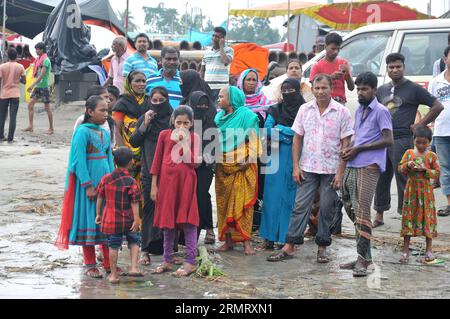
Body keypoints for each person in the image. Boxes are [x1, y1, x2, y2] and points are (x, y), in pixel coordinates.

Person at [267, 74, 353, 263]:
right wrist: (296, 167)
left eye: (324, 88)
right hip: (308, 166)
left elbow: (346, 144)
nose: (320, 92)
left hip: (331, 169)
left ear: (331, 88)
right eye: (317, 88)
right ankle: (290, 246)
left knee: (327, 207)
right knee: (299, 206)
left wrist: (340, 172)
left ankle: (322, 246)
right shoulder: (305, 110)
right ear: (312, 90)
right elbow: (297, 138)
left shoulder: (342, 112)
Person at [373, 53, 443, 227]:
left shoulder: (413, 88)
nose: (395, 70)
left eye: (398, 66)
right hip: (383, 140)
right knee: (381, 177)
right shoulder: (381, 90)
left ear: (404, 67)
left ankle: (406, 216)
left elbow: (437, 106)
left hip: (402, 140)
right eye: (391, 67)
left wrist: (420, 124)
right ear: (387, 69)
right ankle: (379, 215)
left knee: (404, 178)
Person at [338, 72, 394, 277]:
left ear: (373, 90)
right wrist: (350, 148)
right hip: (353, 163)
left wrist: (359, 149)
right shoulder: (360, 110)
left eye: (365, 89)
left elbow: (389, 140)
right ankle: (364, 255)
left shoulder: (380, 111)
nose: (360, 92)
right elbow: (358, 137)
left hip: (369, 166)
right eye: (358, 89)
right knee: (348, 205)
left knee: (362, 212)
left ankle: (363, 259)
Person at [55, 96, 115, 279]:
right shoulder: (82, 132)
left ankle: (108, 263)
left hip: (105, 184)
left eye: (107, 110)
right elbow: (77, 161)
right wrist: (88, 185)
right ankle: (90, 263)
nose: (106, 114)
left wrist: (113, 181)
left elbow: (110, 159)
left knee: (107, 222)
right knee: (89, 220)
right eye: (102, 110)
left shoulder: (105, 133)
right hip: (88, 186)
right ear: (90, 111)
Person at [150, 106, 201, 276]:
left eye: (186, 123)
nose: (182, 126)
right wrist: (154, 185)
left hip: (186, 183)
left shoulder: (194, 138)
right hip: (166, 184)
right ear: (173, 121)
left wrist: (183, 142)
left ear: (191, 123)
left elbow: (193, 163)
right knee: (167, 220)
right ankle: (167, 259)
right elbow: (157, 161)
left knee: (188, 220)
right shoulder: (164, 135)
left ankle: (191, 260)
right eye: (178, 122)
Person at [258, 78, 305, 250]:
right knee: (271, 197)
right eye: (283, 90)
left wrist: (282, 131)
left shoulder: (305, 109)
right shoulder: (275, 108)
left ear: (297, 90)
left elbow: (303, 131)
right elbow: (268, 130)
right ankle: (268, 238)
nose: (286, 93)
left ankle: (287, 238)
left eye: (290, 90)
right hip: (276, 155)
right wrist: (290, 134)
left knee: (291, 198)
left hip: (297, 155)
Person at [129, 87, 173, 265]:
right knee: (148, 208)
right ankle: (145, 250)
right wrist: (145, 124)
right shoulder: (145, 118)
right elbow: (134, 141)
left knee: (168, 208)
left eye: (160, 100)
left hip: (169, 171)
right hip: (148, 171)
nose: (156, 104)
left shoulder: (172, 119)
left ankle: (168, 250)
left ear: (167, 100)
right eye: (153, 100)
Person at [215, 86, 260, 256]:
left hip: (243, 165)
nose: (218, 99)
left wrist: (250, 159)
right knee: (224, 203)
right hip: (223, 165)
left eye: (221, 96)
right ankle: (228, 241)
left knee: (243, 205)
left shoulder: (247, 115)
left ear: (232, 99)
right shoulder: (218, 117)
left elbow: (254, 137)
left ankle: (247, 242)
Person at [95, 147, 143, 284]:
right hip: (128, 220)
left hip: (111, 220)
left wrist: (98, 214)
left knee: (113, 246)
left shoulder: (106, 178)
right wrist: (136, 219)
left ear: (114, 161)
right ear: (131, 162)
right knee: (134, 241)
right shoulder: (131, 182)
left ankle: (114, 275)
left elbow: (99, 197)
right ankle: (134, 267)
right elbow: (134, 202)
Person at [398, 126, 440, 263]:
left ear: (429, 142)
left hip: (426, 191)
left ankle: (429, 249)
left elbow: (437, 173)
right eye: (418, 142)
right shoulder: (409, 153)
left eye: (424, 143)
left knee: (427, 218)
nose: (421, 145)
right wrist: (407, 165)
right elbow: (400, 168)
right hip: (411, 190)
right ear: (413, 140)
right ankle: (405, 251)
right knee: (409, 216)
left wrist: (425, 170)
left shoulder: (432, 156)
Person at [189, 91, 218, 244]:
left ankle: (198, 232)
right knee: (194, 197)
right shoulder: (187, 122)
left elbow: (215, 145)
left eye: (205, 104)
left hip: (205, 168)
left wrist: (206, 158)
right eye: (198, 104)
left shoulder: (211, 122)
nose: (202, 107)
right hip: (188, 166)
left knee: (201, 196)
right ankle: (205, 229)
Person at [113, 71, 150, 183]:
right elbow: (116, 130)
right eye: (137, 81)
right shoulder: (122, 103)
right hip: (127, 151)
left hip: (145, 153)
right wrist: (125, 154)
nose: (141, 84)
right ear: (129, 83)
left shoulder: (150, 102)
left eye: (143, 81)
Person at [428, 45, 450, 217]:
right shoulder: (436, 82)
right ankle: (449, 204)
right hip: (442, 131)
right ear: (445, 60)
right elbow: (431, 106)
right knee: (446, 169)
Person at [309, 32, 354, 105]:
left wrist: (347, 75)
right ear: (325, 47)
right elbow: (313, 87)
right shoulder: (317, 66)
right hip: (323, 103)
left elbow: (351, 88)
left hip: (340, 103)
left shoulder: (343, 63)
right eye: (333, 49)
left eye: (338, 49)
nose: (336, 52)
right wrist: (330, 77)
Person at [23, 42, 54, 134]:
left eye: (38, 49)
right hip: (38, 86)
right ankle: (30, 126)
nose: (36, 51)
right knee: (30, 105)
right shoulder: (38, 59)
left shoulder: (46, 60)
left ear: (42, 50)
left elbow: (41, 75)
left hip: (44, 86)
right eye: (36, 49)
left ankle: (51, 128)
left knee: (47, 107)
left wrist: (32, 85)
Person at [200, 26, 234, 102]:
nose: (214, 38)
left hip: (221, 88)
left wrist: (221, 46)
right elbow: (202, 70)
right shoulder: (206, 52)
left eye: (217, 37)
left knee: (220, 110)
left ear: (223, 38)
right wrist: (201, 85)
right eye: (213, 36)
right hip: (207, 88)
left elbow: (225, 61)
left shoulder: (229, 50)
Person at [0, 47, 26, 143]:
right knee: (13, 116)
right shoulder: (20, 67)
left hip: (4, 94)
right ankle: (10, 138)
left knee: (2, 116)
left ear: (7, 55)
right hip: (15, 94)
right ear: (17, 56)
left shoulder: (2, 66)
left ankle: (1, 136)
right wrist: (17, 79)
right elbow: (24, 81)